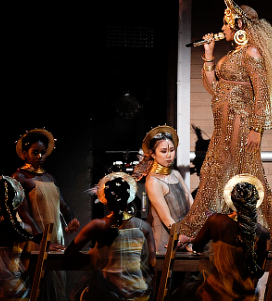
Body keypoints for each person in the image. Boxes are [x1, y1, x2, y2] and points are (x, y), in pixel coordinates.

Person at [179, 0, 272, 251]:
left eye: (225, 23)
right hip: (223, 124)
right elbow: (215, 88)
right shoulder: (232, 54)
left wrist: (257, 130)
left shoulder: (251, 53)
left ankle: (192, 230)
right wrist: (208, 56)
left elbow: (261, 92)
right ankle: (199, 230)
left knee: (234, 172)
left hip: (240, 122)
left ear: (238, 24)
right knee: (215, 172)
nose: (222, 28)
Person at [64, 172, 156, 301]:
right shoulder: (145, 227)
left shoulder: (97, 226)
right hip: (138, 295)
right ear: (128, 197)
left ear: (105, 199)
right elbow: (152, 263)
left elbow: (69, 255)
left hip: (106, 294)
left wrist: (95, 257)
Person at [12, 128, 80, 301]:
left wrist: (71, 219)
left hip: (54, 236)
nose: (40, 157)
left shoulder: (49, 177)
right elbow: (24, 212)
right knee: (35, 281)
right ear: (25, 153)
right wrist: (42, 242)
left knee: (55, 280)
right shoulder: (19, 177)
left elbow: (62, 203)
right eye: (35, 152)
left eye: (43, 153)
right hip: (35, 238)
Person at [187, 174, 270, 301]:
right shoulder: (263, 233)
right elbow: (259, 272)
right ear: (256, 201)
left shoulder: (215, 220)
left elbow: (197, 246)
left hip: (216, 294)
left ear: (231, 199)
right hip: (247, 297)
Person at [133, 125, 192, 252]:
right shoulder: (153, 181)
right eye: (164, 151)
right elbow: (166, 218)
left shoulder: (175, 174)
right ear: (153, 154)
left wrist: (194, 230)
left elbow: (190, 200)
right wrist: (182, 237)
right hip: (166, 243)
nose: (169, 155)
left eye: (172, 150)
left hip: (185, 238)